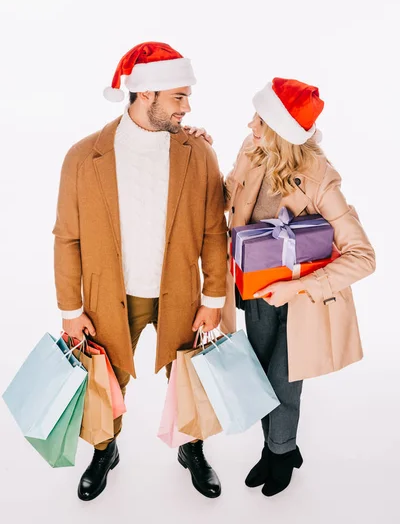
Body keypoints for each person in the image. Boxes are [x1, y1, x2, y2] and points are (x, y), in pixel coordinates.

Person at [52, 42, 229, 501]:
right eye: (179, 97)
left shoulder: (199, 154)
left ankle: (192, 448)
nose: (187, 107)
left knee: (190, 377)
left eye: (186, 98)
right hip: (111, 295)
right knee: (103, 380)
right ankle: (104, 450)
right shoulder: (81, 157)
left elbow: (214, 233)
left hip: (182, 294)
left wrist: (213, 300)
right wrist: (71, 310)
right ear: (145, 95)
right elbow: (67, 239)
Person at [223, 77, 375, 496]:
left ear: (280, 130)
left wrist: (297, 289)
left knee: (283, 379)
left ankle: (281, 452)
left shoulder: (320, 178)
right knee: (259, 377)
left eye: (259, 118)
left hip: (302, 299)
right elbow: (230, 197)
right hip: (253, 290)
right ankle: (276, 451)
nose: (250, 124)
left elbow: (364, 256)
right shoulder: (252, 150)